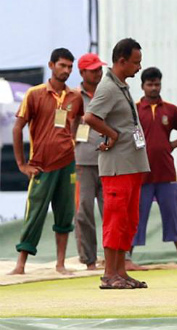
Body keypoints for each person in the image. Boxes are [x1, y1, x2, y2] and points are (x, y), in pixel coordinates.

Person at [8, 48, 83, 275]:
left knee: (65, 213)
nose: (67, 71)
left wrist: (76, 143)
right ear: (51, 66)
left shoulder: (75, 97)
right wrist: (22, 164)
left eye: (70, 67)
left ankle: (60, 264)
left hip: (67, 164)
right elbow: (17, 127)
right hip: (41, 164)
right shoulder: (35, 94)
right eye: (62, 65)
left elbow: (80, 120)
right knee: (35, 214)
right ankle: (20, 265)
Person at [84, 38, 150, 289]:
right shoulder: (108, 87)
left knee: (128, 220)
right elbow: (90, 116)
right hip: (117, 166)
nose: (139, 67)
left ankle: (120, 271)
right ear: (121, 61)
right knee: (115, 219)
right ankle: (110, 274)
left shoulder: (120, 86)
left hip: (130, 163)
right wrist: (112, 135)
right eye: (135, 62)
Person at [126, 67, 177, 269]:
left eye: (157, 84)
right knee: (135, 218)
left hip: (166, 174)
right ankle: (127, 259)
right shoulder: (133, 109)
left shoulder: (170, 109)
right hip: (141, 175)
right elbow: (125, 133)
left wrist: (173, 145)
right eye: (149, 84)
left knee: (173, 217)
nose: (153, 88)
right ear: (142, 86)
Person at [73, 53, 107, 270]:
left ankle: (116, 258)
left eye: (99, 68)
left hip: (108, 161)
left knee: (112, 211)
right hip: (82, 161)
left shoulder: (107, 93)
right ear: (82, 72)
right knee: (84, 211)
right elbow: (63, 125)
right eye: (93, 69)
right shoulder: (73, 96)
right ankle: (90, 261)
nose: (98, 72)